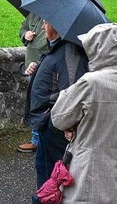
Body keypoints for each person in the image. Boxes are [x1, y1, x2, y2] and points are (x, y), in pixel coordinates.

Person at [50, 23, 117, 204]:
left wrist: (69, 108)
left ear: (98, 48)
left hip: (88, 172)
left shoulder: (91, 83)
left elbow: (59, 118)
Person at [23, 19, 89, 197]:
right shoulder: (59, 48)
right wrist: (37, 69)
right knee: (45, 170)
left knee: (52, 176)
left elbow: (71, 93)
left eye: (46, 23)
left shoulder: (69, 53)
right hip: (49, 123)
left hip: (55, 126)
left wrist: (66, 125)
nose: (43, 27)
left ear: (57, 27)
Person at [17, 13, 48, 153]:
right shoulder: (34, 14)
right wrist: (25, 34)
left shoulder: (55, 17)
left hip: (45, 65)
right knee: (35, 102)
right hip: (32, 65)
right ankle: (38, 139)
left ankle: (37, 141)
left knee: (40, 104)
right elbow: (23, 27)